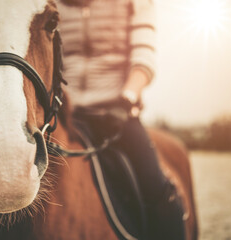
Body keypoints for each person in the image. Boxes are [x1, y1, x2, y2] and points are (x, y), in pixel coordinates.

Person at [56, 0, 186, 239]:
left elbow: (143, 59)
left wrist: (126, 98)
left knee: (155, 187)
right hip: (64, 113)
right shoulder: (51, 4)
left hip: (115, 113)